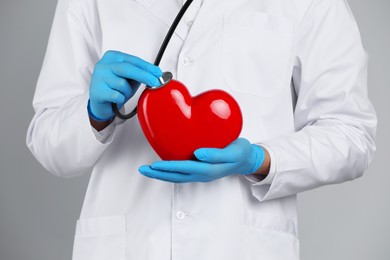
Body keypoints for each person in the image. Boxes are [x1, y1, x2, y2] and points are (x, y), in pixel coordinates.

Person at [26, 0, 377, 259]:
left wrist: (260, 159)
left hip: (239, 246)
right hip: (127, 246)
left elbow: (351, 133)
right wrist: (93, 114)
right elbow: (48, 143)